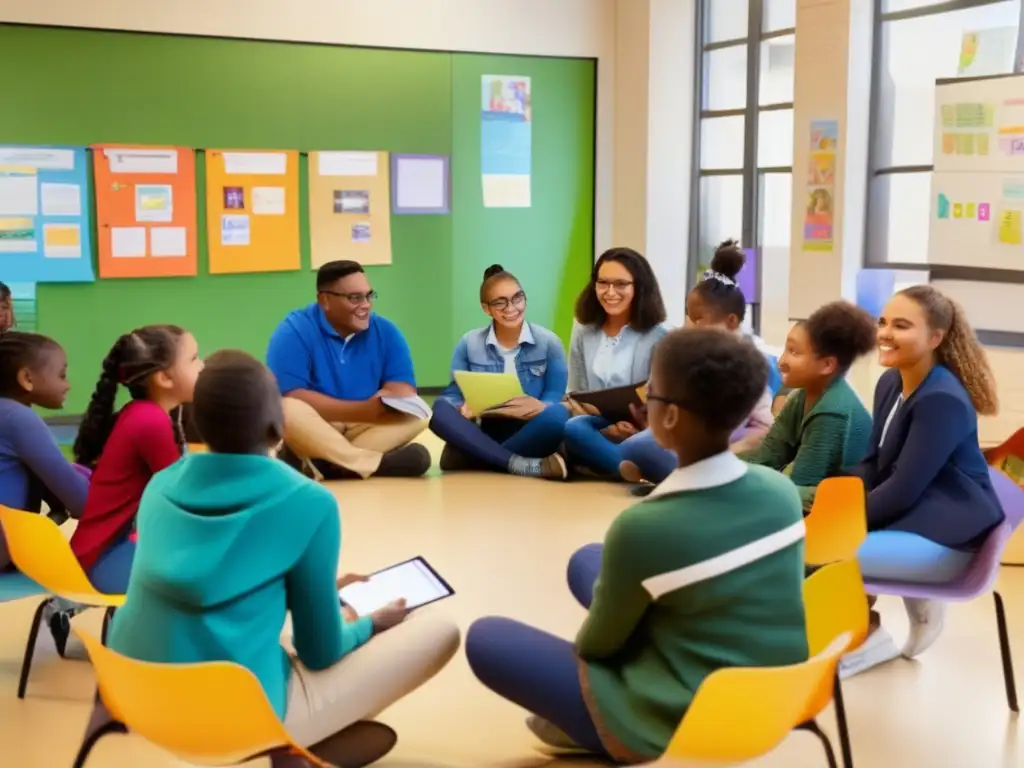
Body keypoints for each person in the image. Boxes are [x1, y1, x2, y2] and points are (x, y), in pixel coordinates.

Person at [465, 328, 808, 763]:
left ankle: (598, 725)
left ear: (666, 417)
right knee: (588, 560)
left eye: (652, 393)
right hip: (777, 691)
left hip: (682, 713)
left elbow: (597, 646)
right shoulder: (780, 490)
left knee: (487, 638)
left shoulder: (643, 525)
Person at [104, 350, 460, 764]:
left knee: (295, 626)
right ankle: (300, 745)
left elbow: (212, 578)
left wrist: (319, 590)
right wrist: (370, 624)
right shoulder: (307, 501)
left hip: (135, 692)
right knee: (439, 630)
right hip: (234, 717)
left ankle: (308, 743)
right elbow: (320, 651)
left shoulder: (160, 485)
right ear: (279, 426)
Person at [839, 286, 1003, 678]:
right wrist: (833, 500)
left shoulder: (941, 399)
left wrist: (837, 523)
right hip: (920, 510)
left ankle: (870, 634)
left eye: (901, 325)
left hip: (950, 537)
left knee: (828, 556)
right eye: (883, 322)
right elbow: (874, 462)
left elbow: (901, 490)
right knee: (821, 539)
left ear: (935, 338)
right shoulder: (891, 383)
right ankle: (883, 617)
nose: (885, 333)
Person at [618, 241, 775, 493]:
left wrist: (729, 452)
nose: (689, 326)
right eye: (688, 317)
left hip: (731, 439)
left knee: (645, 448)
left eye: (698, 319)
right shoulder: (690, 355)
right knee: (634, 445)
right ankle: (670, 478)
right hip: (689, 435)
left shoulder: (749, 362)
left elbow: (764, 428)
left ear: (731, 321)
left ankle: (674, 479)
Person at [267, 260, 432, 481]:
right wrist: (360, 410)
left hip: (364, 425)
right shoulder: (293, 330)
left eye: (369, 296)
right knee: (285, 409)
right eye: (355, 298)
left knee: (420, 414)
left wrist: (383, 402)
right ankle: (368, 463)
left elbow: (402, 387)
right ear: (325, 300)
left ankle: (327, 463)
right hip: (318, 423)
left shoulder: (387, 331)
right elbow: (292, 394)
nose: (365, 305)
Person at [69, 325, 201, 597]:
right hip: (105, 562)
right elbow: (185, 497)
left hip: (102, 554)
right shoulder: (150, 421)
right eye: (194, 359)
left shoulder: (142, 413)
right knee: (221, 563)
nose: (202, 365)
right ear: (164, 377)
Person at [430, 264, 569, 480]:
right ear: (486, 308)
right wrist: (461, 407)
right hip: (487, 427)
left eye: (517, 298)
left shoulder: (549, 342)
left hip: (531, 428)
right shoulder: (469, 343)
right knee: (439, 409)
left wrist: (541, 406)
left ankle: (474, 454)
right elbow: (453, 395)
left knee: (558, 415)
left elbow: (555, 394)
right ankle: (517, 464)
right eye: (500, 302)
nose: (511, 308)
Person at [738, 301, 875, 512]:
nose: (781, 361)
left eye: (794, 352)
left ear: (827, 365)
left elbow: (798, 488)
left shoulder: (832, 411)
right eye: (786, 349)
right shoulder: (801, 396)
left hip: (839, 516)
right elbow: (767, 455)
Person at [562, 248, 669, 477]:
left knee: (649, 441)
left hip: (643, 425)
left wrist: (639, 426)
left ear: (638, 288)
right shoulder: (583, 330)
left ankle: (602, 463)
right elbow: (575, 391)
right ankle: (633, 471)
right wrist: (610, 429)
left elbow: (662, 399)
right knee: (573, 427)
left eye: (621, 284)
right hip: (596, 422)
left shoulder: (659, 336)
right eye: (603, 283)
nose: (610, 292)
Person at [0, 331, 88, 547]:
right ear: (27, 379)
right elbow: (83, 502)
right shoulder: (17, 418)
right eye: (61, 375)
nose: (67, 385)